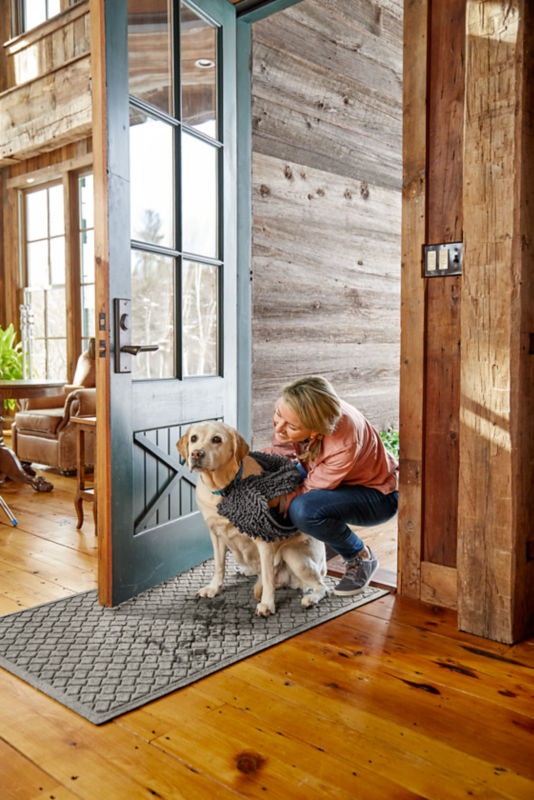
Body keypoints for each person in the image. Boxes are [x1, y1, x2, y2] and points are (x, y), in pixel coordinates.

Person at [265, 375, 398, 596]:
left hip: (377, 495)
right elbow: (281, 454)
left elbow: (311, 489)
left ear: (316, 431)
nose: (279, 428)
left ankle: (360, 556)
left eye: (290, 426)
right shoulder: (299, 410)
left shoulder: (343, 440)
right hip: (328, 476)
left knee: (303, 510)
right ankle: (303, 547)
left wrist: (280, 500)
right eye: (278, 414)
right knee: (275, 484)